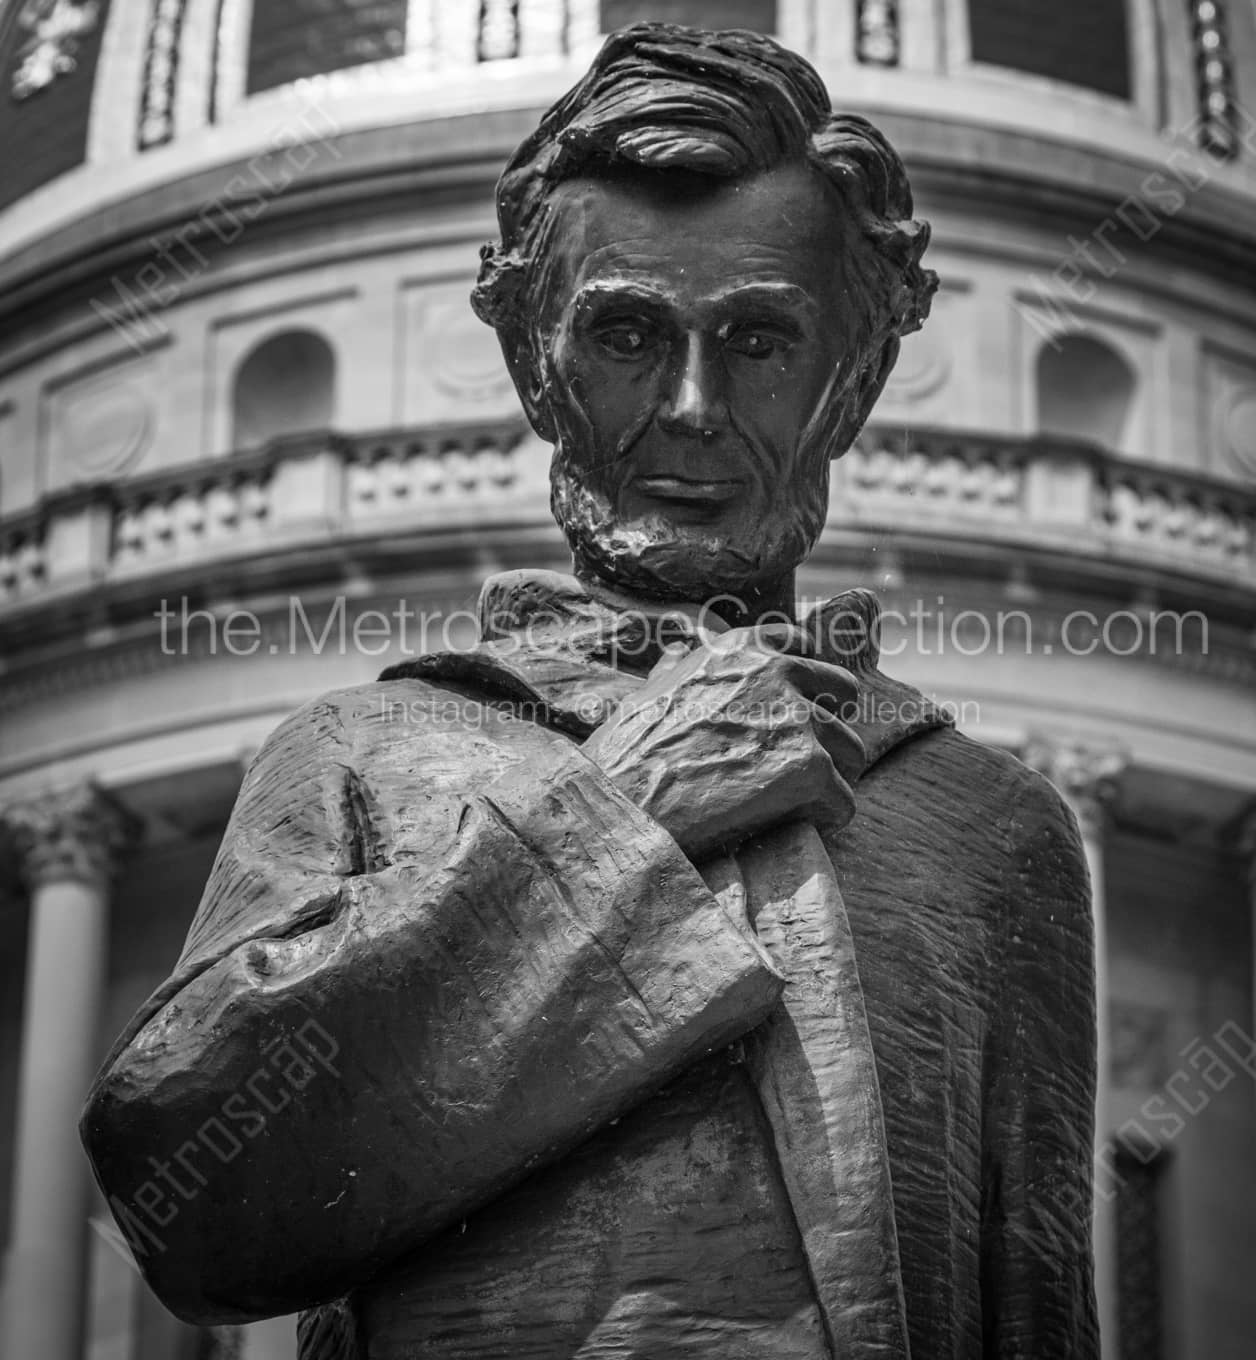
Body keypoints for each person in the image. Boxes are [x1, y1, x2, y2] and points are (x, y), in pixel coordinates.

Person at [82, 24, 1098, 1360]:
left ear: (856, 377)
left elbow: (1038, 1313)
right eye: (624, 333)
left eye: (760, 340)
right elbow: (193, 1201)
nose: (688, 405)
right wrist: (628, 810)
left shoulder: (990, 829)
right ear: (531, 361)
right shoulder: (365, 754)